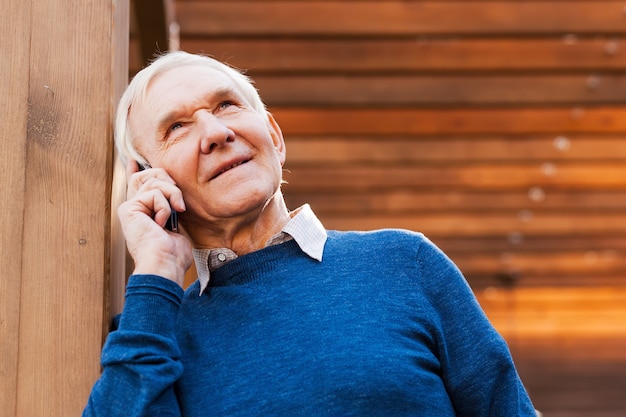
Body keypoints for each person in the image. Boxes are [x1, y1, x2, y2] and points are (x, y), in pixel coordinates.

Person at [83, 51, 536, 416]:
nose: (216, 132)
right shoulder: (156, 329)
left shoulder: (405, 263)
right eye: (177, 127)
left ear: (274, 137)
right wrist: (157, 268)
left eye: (226, 105)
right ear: (148, 178)